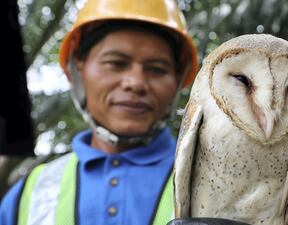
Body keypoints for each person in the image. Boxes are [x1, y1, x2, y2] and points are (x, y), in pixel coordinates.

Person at [0, 0, 198, 224]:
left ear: (178, 82)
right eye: (116, 63)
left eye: (157, 69)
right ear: (77, 70)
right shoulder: (29, 192)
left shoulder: (211, 181)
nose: (136, 83)